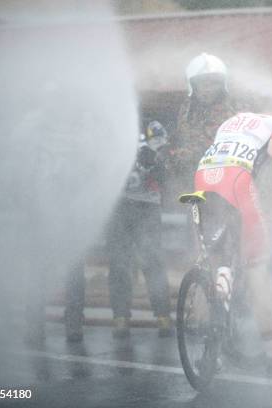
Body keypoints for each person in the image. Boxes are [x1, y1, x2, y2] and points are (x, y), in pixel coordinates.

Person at [190, 100, 272, 369]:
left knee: (215, 264)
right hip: (237, 183)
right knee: (257, 272)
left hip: (203, 179)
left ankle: (211, 351)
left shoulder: (231, 122)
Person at [107, 121, 173, 338]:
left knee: (153, 260)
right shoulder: (114, 130)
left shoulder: (156, 129)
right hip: (119, 207)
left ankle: (163, 316)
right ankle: (120, 317)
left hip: (148, 207)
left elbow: (168, 175)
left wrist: (154, 162)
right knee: (119, 262)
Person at [171, 53, 255, 198]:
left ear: (223, 84)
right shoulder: (187, 108)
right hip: (193, 173)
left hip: (230, 169)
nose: (208, 89)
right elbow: (182, 134)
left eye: (213, 83)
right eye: (203, 84)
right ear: (193, 85)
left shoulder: (236, 106)